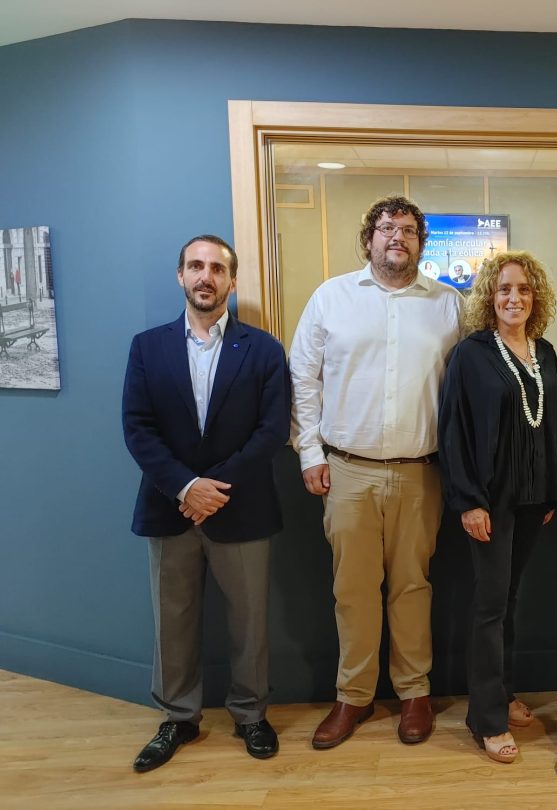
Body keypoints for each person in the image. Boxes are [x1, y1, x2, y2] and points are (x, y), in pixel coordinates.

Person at [290, 195, 463, 749]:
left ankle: (414, 692)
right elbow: (303, 379)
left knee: (413, 587)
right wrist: (310, 454)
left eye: (408, 230)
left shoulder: (449, 305)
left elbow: (468, 387)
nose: (397, 237)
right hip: (348, 472)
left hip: (421, 474)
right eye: (387, 228)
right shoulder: (331, 298)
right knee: (353, 590)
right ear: (369, 239)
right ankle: (354, 696)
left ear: (421, 243)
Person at [121, 235, 290, 772]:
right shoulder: (147, 347)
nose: (205, 276)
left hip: (242, 507)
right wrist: (185, 487)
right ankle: (178, 717)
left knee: (250, 621)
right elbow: (138, 428)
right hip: (168, 507)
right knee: (172, 621)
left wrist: (211, 489)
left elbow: (271, 431)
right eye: (196, 266)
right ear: (181, 275)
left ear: (231, 282)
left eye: (217, 268)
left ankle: (250, 714)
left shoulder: (263, 350)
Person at [438, 250, 557, 764]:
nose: (515, 298)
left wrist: (551, 492)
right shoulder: (471, 354)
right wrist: (469, 502)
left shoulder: (547, 352)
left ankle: (503, 691)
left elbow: (550, 425)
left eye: (524, 289)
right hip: (489, 502)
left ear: (536, 297)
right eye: (505, 289)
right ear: (490, 297)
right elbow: (454, 431)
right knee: (490, 606)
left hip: (534, 499)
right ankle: (486, 718)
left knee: (510, 600)